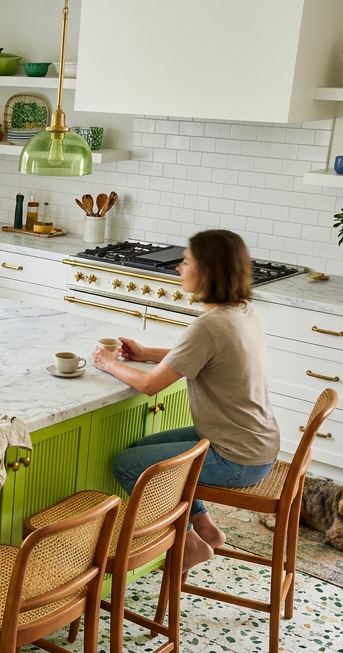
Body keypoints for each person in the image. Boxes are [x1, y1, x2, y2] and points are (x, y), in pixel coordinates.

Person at [91, 229, 280, 571]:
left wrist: (109, 364)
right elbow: (201, 356)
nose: (178, 268)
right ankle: (208, 530)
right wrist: (147, 352)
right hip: (255, 443)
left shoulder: (209, 326)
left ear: (206, 271)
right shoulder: (242, 311)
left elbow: (150, 385)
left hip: (236, 458)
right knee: (144, 447)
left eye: (186, 261)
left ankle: (190, 543)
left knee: (129, 465)